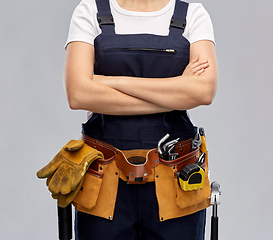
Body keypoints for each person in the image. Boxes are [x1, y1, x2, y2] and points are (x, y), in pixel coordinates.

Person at [63, 0, 218, 239]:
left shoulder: (193, 14)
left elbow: (203, 91)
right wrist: (175, 92)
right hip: (104, 185)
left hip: (175, 182)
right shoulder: (90, 11)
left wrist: (109, 81)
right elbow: (78, 93)